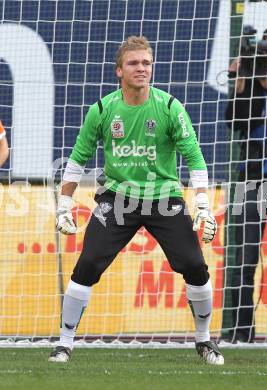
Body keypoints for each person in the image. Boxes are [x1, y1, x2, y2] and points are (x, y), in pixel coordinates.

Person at [48, 36, 223, 364]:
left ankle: (204, 340)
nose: (141, 68)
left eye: (146, 63)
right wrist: (64, 204)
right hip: (117, 198)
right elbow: (77, 159)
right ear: (119, 71)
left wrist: (202, 204)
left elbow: (195, 157)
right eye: (134, 63)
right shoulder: (101, 110)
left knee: (195, 266)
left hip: (164, 198)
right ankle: (64, 343)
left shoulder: (170, 107)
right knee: (87, 264)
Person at [226, 26, 267, 343]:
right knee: (244, 257)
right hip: (252, 178)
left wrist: (266, 79)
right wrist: (242, 78)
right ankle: (241, 329)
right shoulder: (252, 83)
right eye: (266, 45)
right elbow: (234, 119)